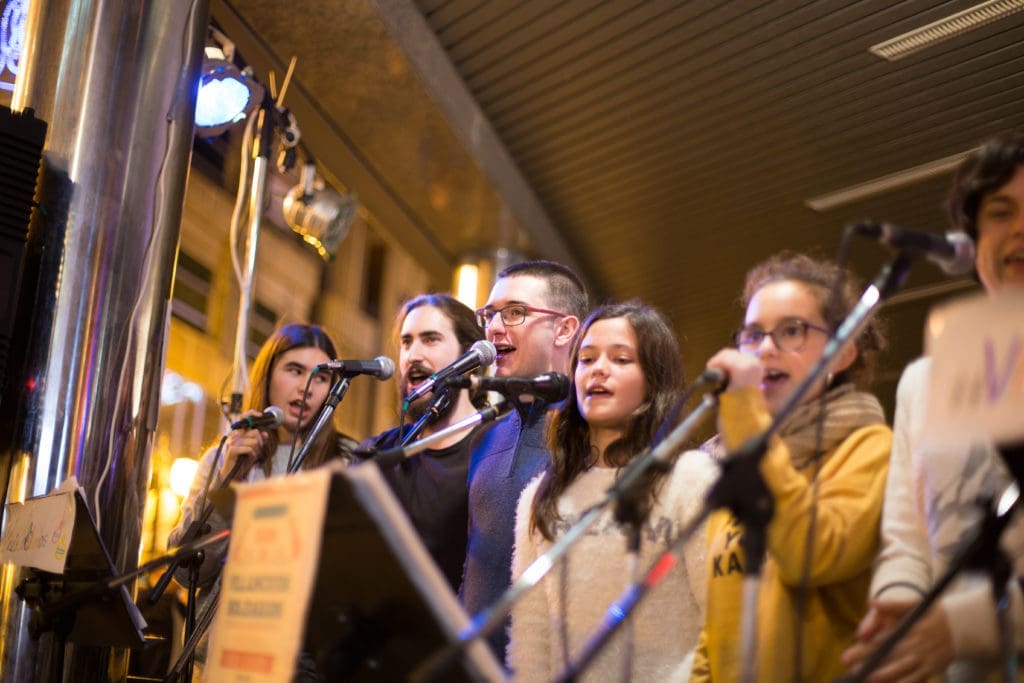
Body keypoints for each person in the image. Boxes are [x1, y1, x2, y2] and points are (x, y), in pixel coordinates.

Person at [843, 131, 1024, 681]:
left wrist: (966, 626)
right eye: (1001, 212)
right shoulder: (926, 379)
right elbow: (906, 536)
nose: (1020, 227)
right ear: (971, 238)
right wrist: (897, 604)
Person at [690, 252, 892, 682]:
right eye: (753, 334)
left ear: (842, 354)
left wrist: (747, 422)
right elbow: (715, 632)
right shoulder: (737, 467)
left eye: (792, 331)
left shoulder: (871, 448)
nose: (765, 349)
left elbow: (811, 554)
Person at [508, 301, 717, 682]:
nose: (598, 370)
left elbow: (718, 616)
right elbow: (530, 637)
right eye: (586, 359)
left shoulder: (691, 478)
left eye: (621, 359)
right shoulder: (540, 496)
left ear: (654, 378)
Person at [167, 323, 355, 675]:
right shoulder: (223, 457)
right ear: (267, 376)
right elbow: (184, 572)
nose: (306, 387)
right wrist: (229, 480)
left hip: (305, 667)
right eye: (295, 370)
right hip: (223, 661)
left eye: (321, 377)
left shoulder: (347, 462)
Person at [461, 259, 589, 663]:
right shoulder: (484, 436)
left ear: (565, 329)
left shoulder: (592, 437)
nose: (494, 328)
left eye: (515, 312)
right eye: (490, 315)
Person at [357, 293, 487, 592]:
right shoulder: (375, 455)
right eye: (406, 342)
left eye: (430, 340)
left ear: (469, 359)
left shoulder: (495, 449)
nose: (413, 355)